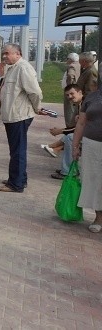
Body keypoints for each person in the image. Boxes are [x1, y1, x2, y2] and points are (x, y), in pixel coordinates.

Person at [0, 44, 44, 193]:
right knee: (17, 150)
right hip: (13, 116)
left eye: (7, 53)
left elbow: (35, 92)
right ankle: (18, 179)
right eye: (3, 54)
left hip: (19, 116)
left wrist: (37, 108)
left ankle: (15, 184)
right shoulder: (13, 68)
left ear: (18, 53)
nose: (4, 56)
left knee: (18, 151)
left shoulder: (23, 68)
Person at [72, 87, 102, 233]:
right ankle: (99, 217)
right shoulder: (92, 97)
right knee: (95, 182)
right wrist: (75, 146)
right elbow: (81, 123)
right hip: (92, 145)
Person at [39, 84, 83, 179]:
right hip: (90, 134)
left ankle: (68, 172)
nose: (69, 97)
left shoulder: (84, 104)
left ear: (80, 92)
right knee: (69, 136)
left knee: (70, 138)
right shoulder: (80, 104)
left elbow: (81, 127)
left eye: (72, 94)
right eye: (67, 95)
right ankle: (55, 151)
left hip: (93, 136)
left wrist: (60, 131)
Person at [61, 53, 81, 127]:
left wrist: (69, 87)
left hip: (71, 92)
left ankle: (69, 127)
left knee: (69, 110)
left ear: (70, 59)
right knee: (74, 110)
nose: (67, 60)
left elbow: (70, 75)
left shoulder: (72, 66)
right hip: (77, 91)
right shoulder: (79, 65)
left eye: (67, 58)